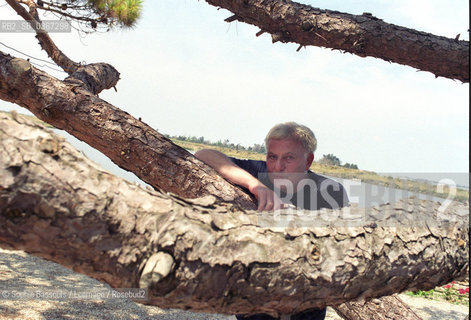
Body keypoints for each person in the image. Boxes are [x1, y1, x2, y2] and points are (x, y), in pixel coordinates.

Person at [195, 122, 349, 320]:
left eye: (289, 158)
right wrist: (254, 184)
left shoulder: (330, 192)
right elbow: (202, 155)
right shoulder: (257, 171)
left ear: (308, 160)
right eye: (272, 157)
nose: (278, 166)